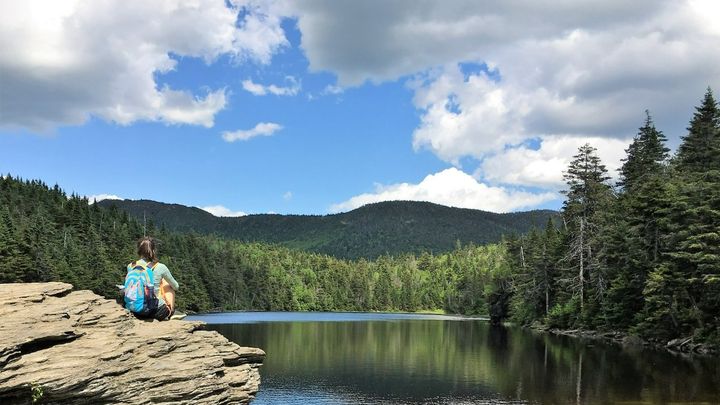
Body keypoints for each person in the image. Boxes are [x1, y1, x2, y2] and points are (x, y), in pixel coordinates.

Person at [127, 236, 180, 321]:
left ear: (138, 250)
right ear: (154, 251)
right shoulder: (160, 267)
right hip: (155, 311)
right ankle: (171, 311)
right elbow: (176, 286)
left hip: (135, 310)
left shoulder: (131, 266)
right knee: (166, 283)